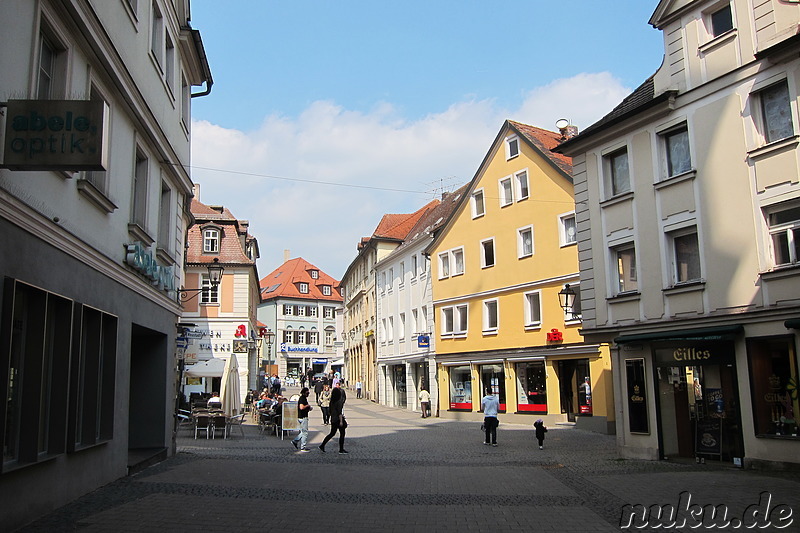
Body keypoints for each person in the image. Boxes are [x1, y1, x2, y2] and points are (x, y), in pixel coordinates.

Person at [319, 382, 348, 454]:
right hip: (338, 419)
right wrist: (341, 421)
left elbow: (330, 412)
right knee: (342, 434)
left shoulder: (331, 402)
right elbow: (339, 412)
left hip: (333, 419)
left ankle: (322, 445)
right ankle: (341, 449)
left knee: (332, 433)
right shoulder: (339, 402)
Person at [291, 387, 313, 452]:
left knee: (303, 432)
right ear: (304, 392)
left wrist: (308, 408)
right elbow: (301, 407)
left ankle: (295, 441)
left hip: (303, 416)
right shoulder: (302, 398)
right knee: (305, 433)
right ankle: (303, 447)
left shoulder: (304, 398)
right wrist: (307, 406)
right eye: (307, 392)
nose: (308, 393)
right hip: (303, 417)